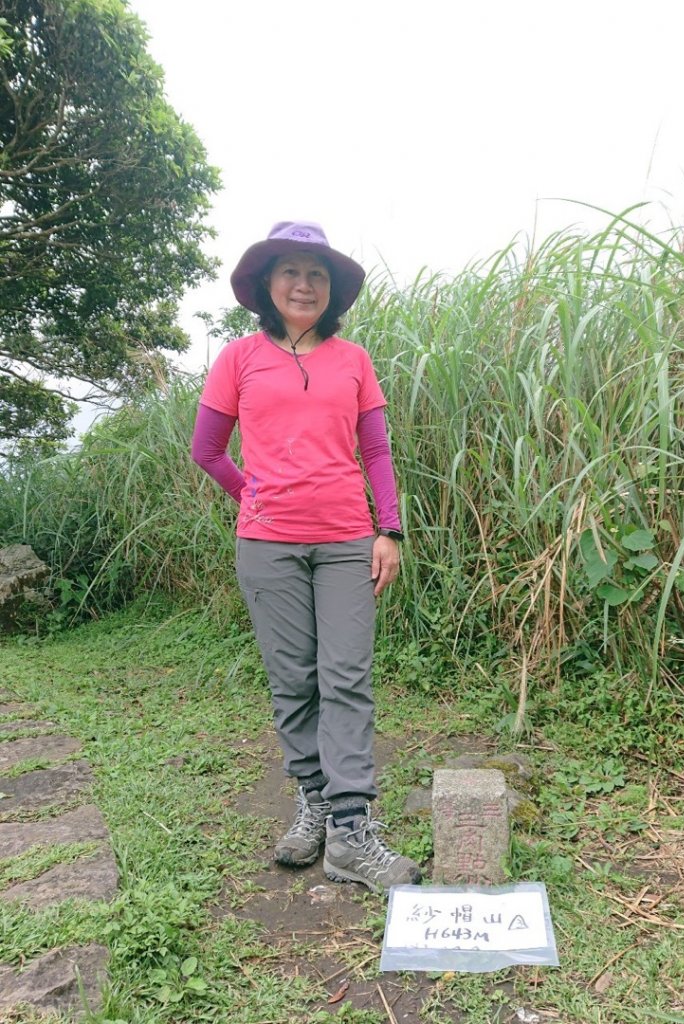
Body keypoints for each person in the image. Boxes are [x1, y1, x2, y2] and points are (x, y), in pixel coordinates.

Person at [191, 221, 421, 892]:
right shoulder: (238, 359)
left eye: (316, 275)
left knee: (344, 675)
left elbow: (375, 451)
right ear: (267, 283)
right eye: (290, 271)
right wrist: (252, 494)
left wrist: (390, 531)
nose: (303, 284)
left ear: (331, 290)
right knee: (293, 680)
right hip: (267, 546)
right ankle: (314, 802)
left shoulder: (352, 359)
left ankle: (351, 833)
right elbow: (207, 450)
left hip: (348, 539)